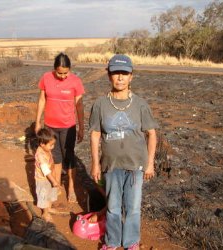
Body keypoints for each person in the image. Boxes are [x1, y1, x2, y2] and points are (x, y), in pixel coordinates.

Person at [89, 54, 158, 250]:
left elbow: (152, 134)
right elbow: (95, 135)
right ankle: (111, 242)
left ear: (131, 77)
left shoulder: (140, 104)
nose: (120, 77)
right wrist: (95, 164)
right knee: (112, 207)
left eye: (124, 73)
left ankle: (131, 243)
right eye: (116, 73)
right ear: (108, 75)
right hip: (111, 166)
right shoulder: (100, 105)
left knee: (133, 207)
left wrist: (150, 163)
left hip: (136, 165)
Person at [35, 52, 85, 203]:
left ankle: (71, 188)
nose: (63, 76)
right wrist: (37, 121)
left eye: (66, 73)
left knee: (69, 157)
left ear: (70, 69)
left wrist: (81, 127)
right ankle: (56, 183)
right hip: (50, 126)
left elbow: (79, 105)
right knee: (54, 156)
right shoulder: (46, 78)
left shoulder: (76, 81)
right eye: (59, 72)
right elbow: (42, 99)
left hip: (67, 126)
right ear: (54, 69)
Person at [34, 127, 60, 222]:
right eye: (51, 145)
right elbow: (45, 170)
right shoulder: (40, 155)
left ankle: (48, 208)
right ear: (42, 144)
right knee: (44, 195)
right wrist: (54, 181)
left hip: (50, 177)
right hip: (43, 180)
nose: (52, 147)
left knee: (50, 193)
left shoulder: (45, 149)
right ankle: (45, 213)